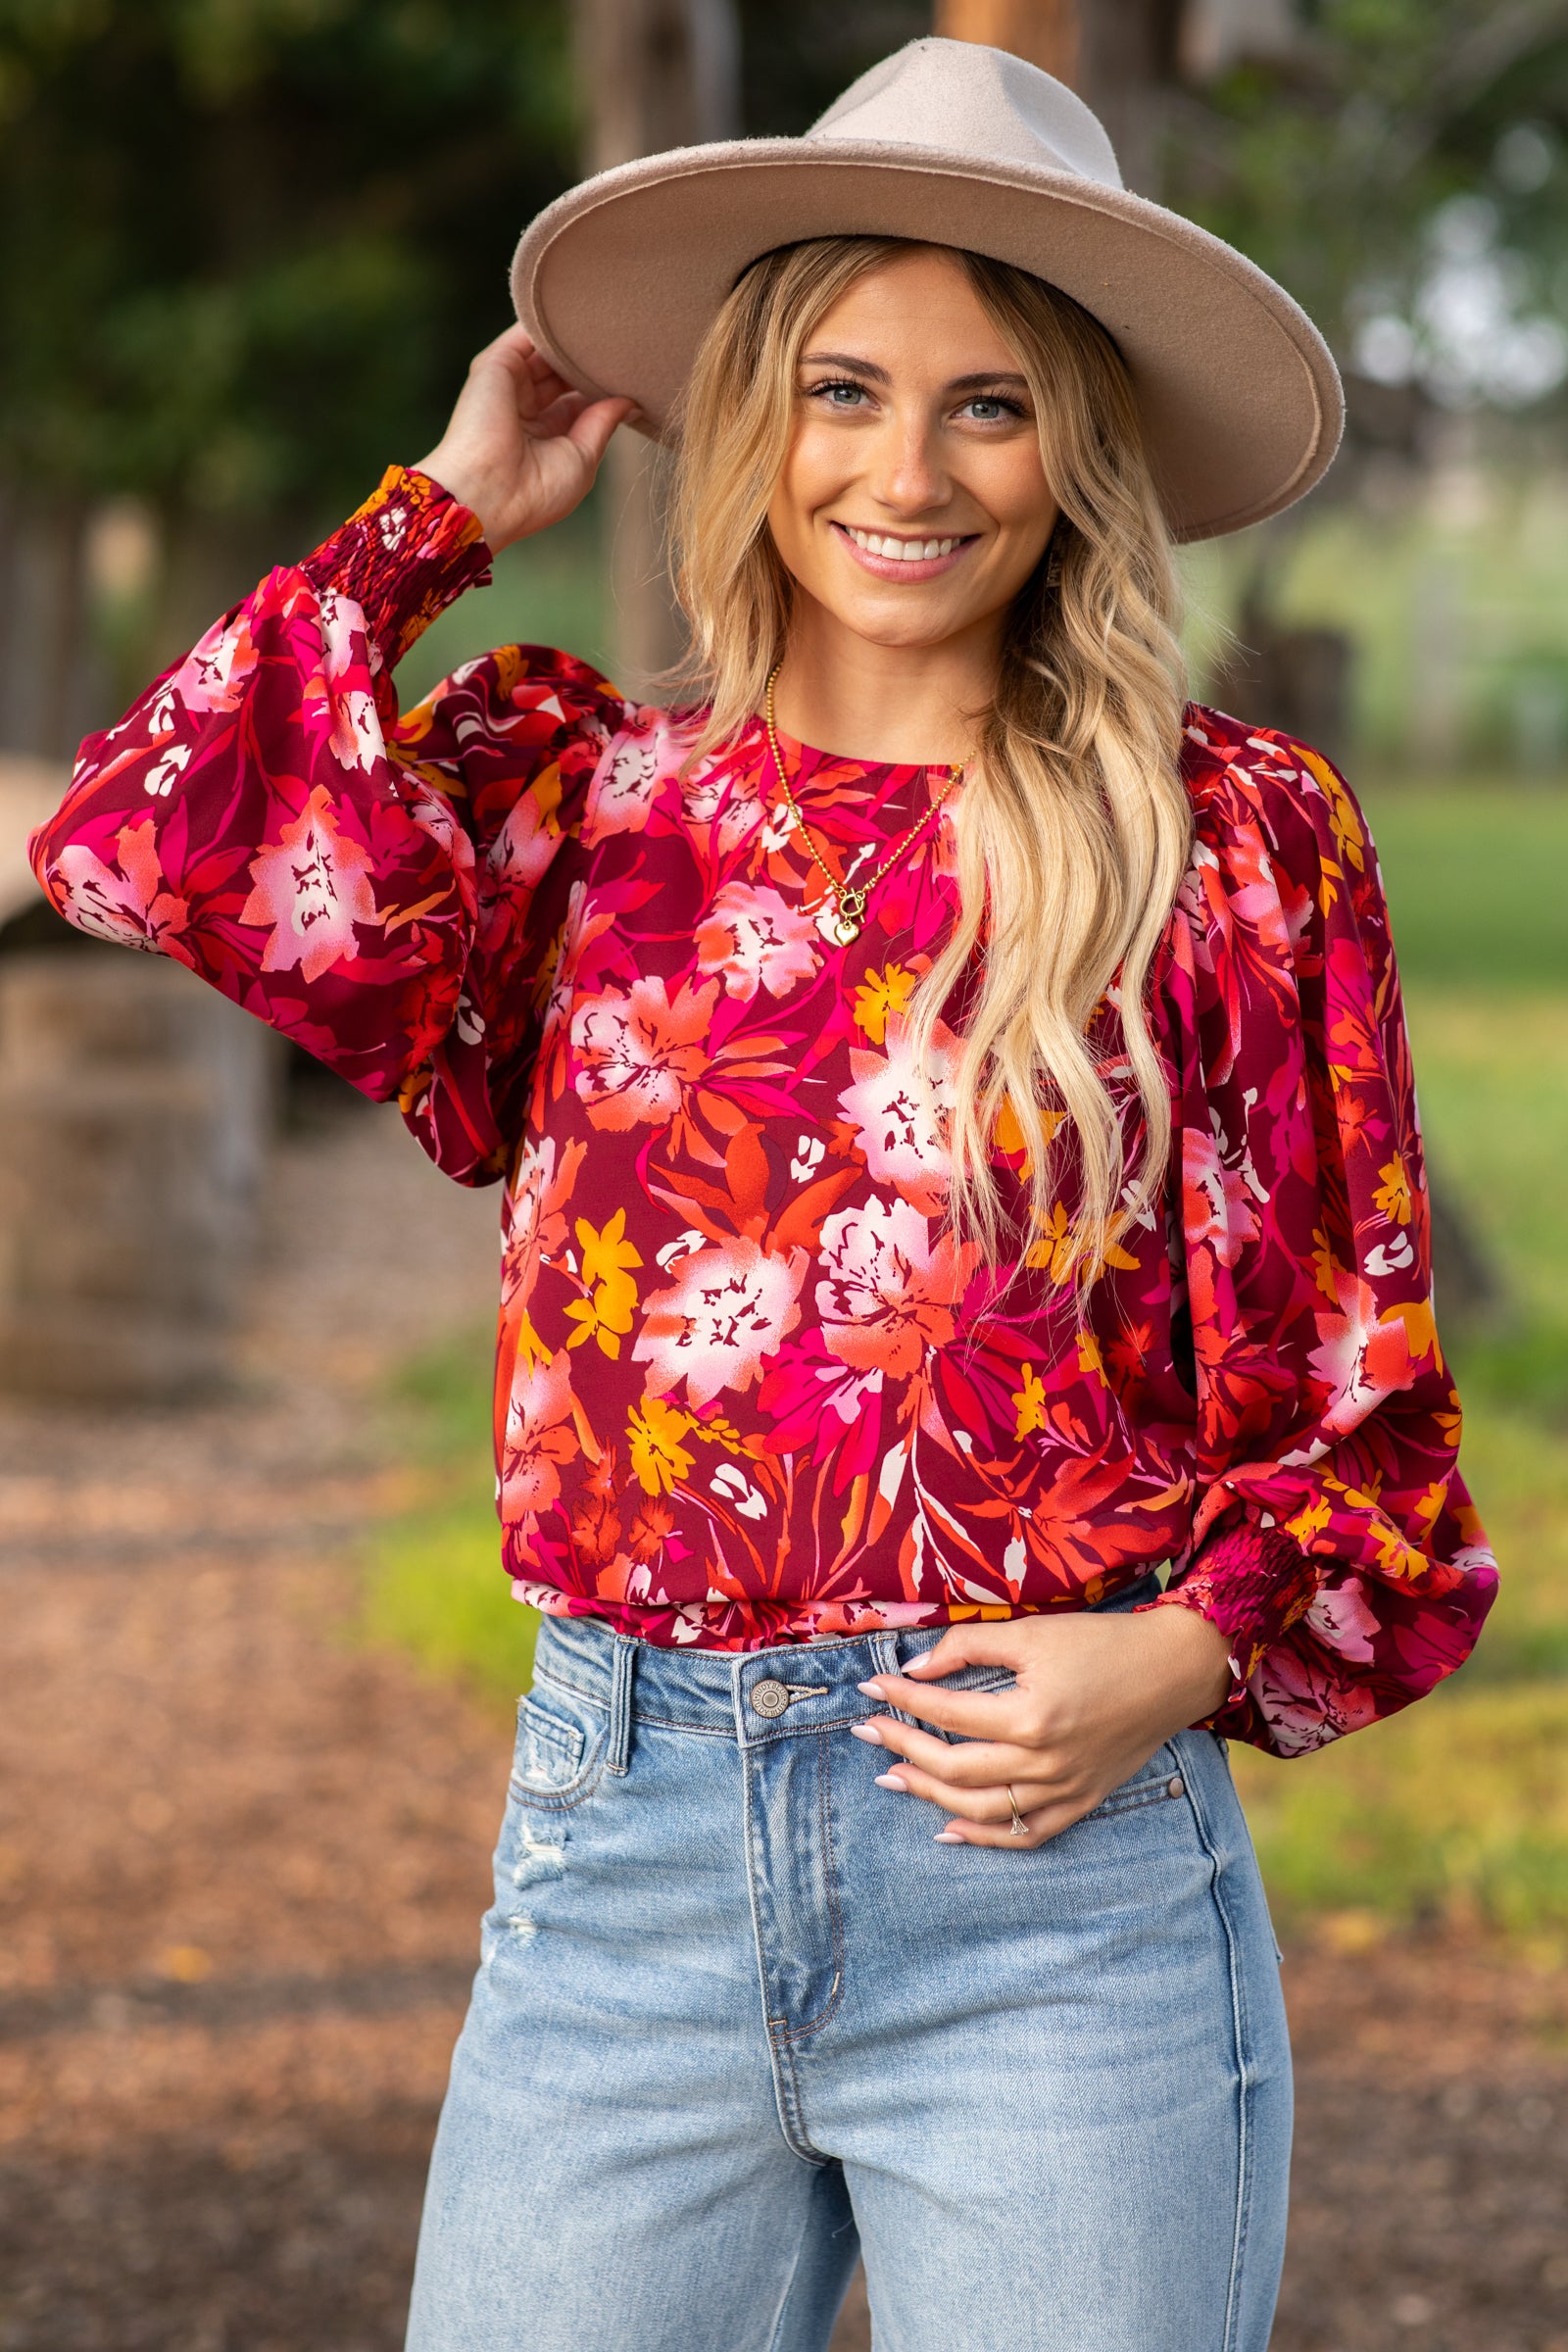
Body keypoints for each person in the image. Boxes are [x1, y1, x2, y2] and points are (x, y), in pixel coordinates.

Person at [32, 37, 1496, 2352]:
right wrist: (436, 506)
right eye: (837, 387)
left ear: (1080, 452)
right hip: (623, 1871)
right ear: (751, 419)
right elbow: (151, 829)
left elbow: (1371, 1417)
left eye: (989, 404)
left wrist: (1186, 1652)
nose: (904, 472)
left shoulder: (1230, 846)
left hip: (1052, 1889)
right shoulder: (587, 805)